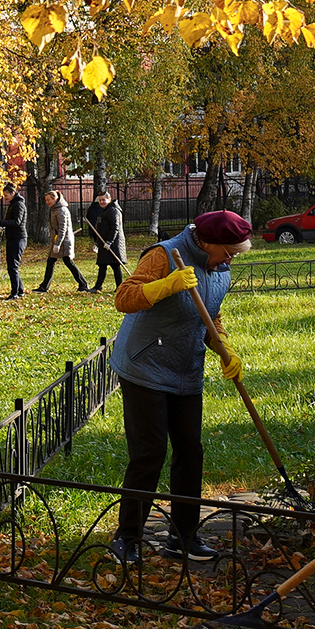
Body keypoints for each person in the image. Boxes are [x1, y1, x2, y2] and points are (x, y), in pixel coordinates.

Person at [107, 210, 253, 562]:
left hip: (185, 370)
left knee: (190, 452)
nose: (231, 258)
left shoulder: (221, 269)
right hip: (144, 366)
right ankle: (126, 539)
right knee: (150, 453)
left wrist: (223, 349)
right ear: (208, 242)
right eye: (229, 251)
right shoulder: (163, 254)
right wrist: (165, 285)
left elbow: (209, 314)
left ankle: (183, 536)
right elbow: (124, 298)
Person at [35, 187, 82, 291]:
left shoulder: (61, 210)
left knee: (68, 261)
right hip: (57, 240)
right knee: (51, 261)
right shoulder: (54, 209)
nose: (47, 202)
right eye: (46, 200)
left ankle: (83, 284)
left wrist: (58, 243)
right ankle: (44, 286)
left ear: (55, 199)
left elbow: (63, 229)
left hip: (64, 241)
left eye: (49, 200)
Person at [82, 190, 127, 293]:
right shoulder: (106, 210)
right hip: (104, 243)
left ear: (109, 199)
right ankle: (99, 287)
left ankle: (118, 287)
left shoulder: (113, 210)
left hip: (113, 243)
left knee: (115, 265)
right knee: (103, 265)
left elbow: (115, 227)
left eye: (103, 200)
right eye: (100, 200)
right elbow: (102, 229)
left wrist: (109, 242)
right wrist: (98, 244)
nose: (101, 202)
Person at [0, 183, 29, 298]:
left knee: (13, 266)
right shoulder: (12, 204)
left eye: (6, 195)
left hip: (18, 238)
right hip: (12, 237)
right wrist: (3, 226)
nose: (5, 198)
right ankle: (19, 291)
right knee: (11, 266)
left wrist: (1, 223)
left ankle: (15, 292)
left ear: (13, 193)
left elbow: (16, 222)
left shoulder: (19, 205)